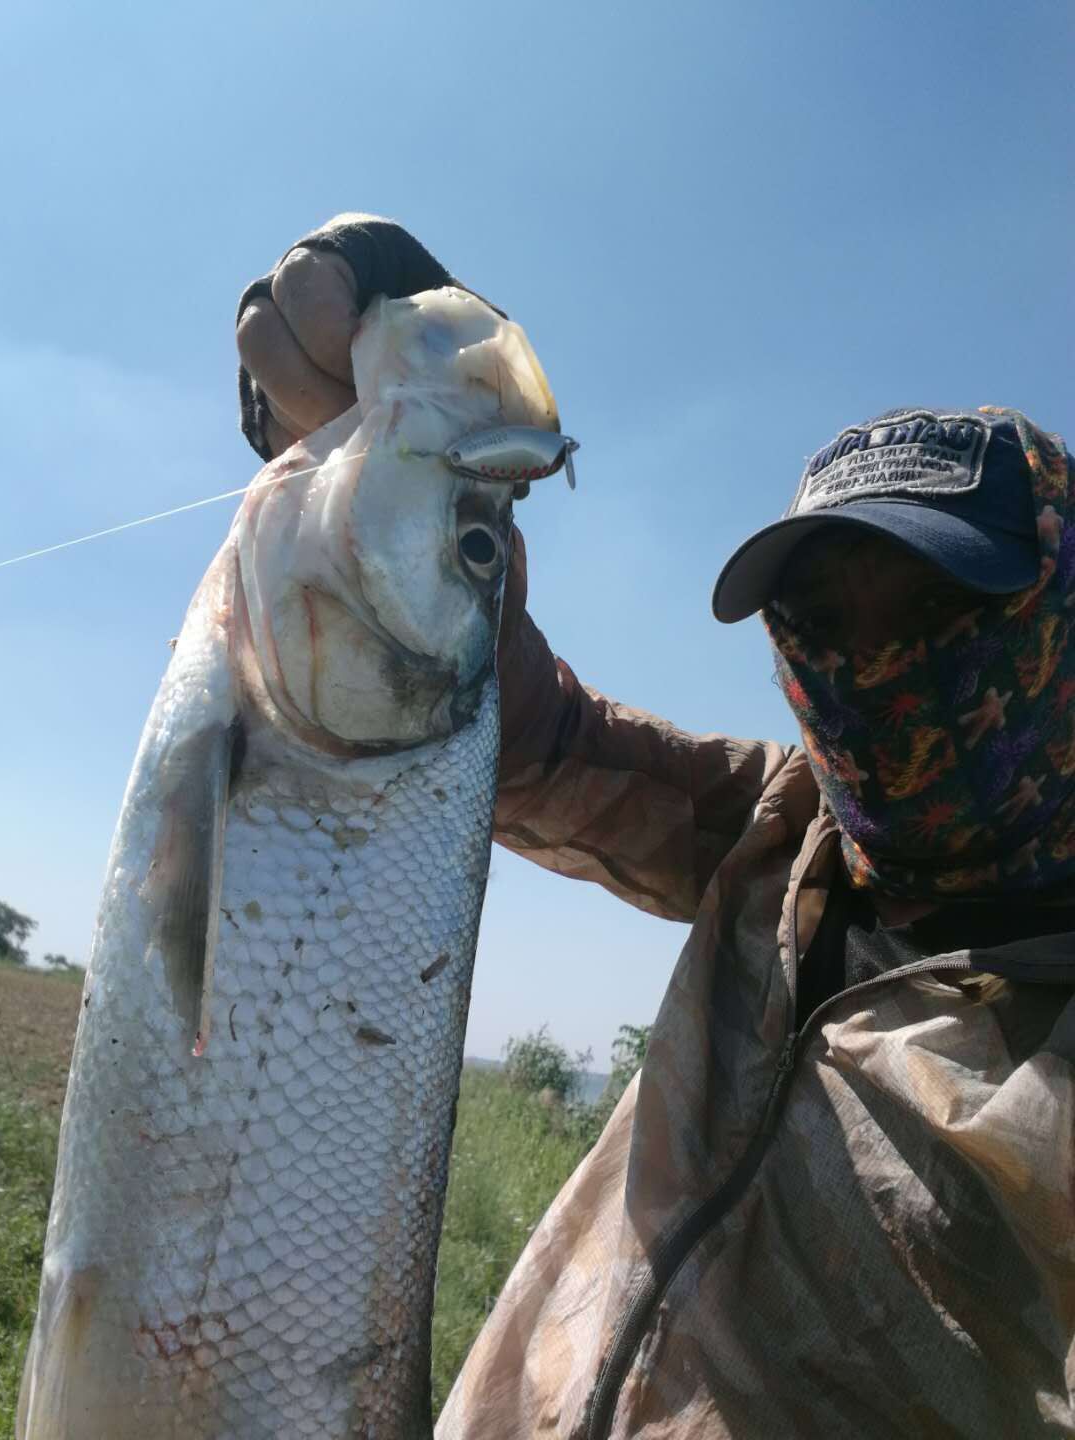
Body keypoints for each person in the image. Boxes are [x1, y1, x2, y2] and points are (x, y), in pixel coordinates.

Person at [236, 216, 1075, 1439]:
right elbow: (536, 744)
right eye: (819, 614)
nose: (869, 665)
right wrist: (415, 485)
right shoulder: (781, 829)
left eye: (939, 603)